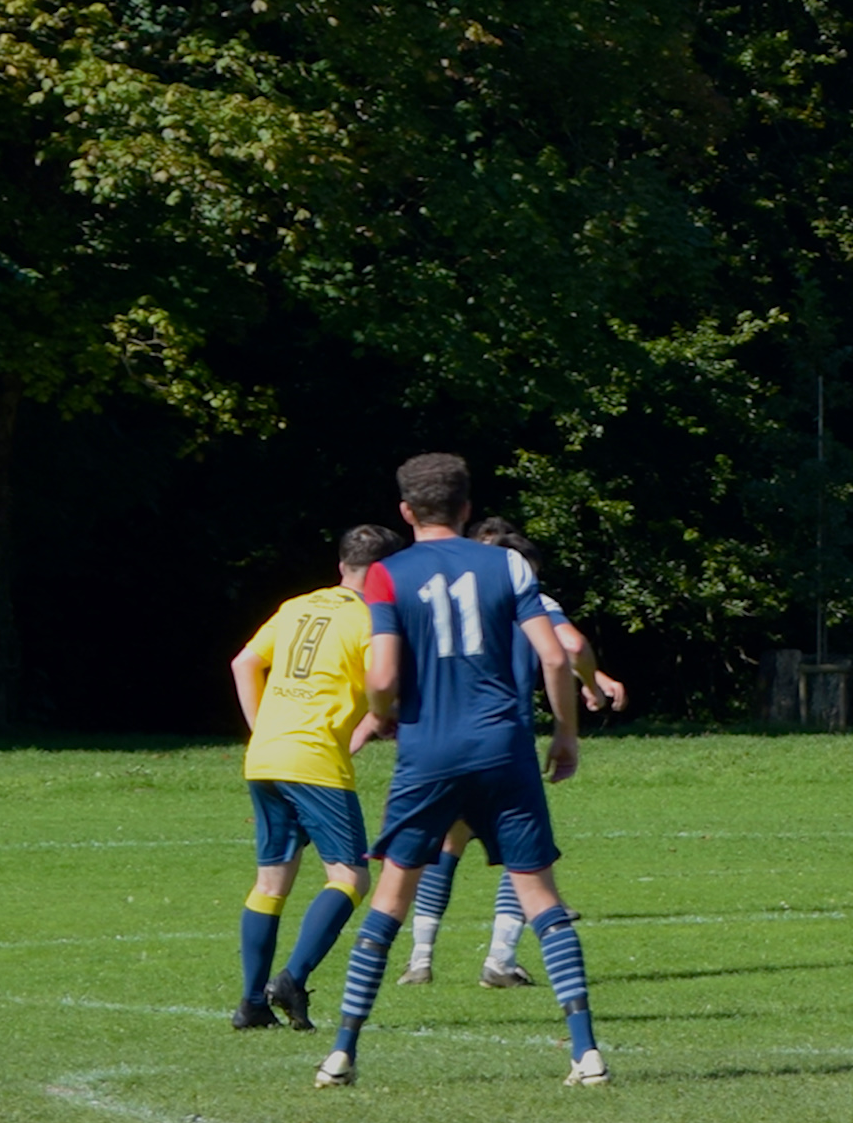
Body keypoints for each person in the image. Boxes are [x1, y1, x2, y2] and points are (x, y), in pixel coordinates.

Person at [313, 453, 608, 1088]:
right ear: (468, 508)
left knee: (391, 897)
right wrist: (564, 732)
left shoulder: (389, 576)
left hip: (430, 753)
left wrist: (383, 712)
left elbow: (385, 676)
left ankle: (342, 1051)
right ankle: (585, 1052)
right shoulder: (508, 562)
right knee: (542, 897)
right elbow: (555, 657)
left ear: (405, 511)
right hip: (503, 746)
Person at [399, 517, 626, 988]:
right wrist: (590, 681)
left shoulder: (450, 591)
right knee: (521, 853)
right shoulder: (529, 597)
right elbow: (571, 644)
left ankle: (419, 958)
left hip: (443, 739)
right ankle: (500, 960)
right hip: (505, 742)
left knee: (447, 844)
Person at [228, 523, 403, 1031]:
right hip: (316, 760)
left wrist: (263, 729)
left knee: (271, 881)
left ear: (341, 564)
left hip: (265, 756)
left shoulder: (297, 605)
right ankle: (291, 978)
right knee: (350, 877)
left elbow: (244, 663)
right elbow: (382, 683)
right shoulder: (372, 619)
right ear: (385, 572)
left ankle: (250, 1004)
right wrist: (379, 719)